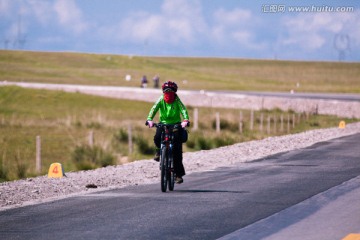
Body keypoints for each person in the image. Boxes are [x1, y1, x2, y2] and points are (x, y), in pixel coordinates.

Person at [146, 81, 190, 184]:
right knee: (157, 137)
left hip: (176, 125)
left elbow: (183, 110)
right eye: (166, 91)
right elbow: (154, 108)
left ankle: (178, 175)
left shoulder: (177, 100)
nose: (168, 93)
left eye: (170, 91)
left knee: (177, 150)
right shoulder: (161, 99)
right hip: (163, 124)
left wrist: (185, 120)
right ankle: (158, 151)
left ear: (174, 92)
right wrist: (149, 119)